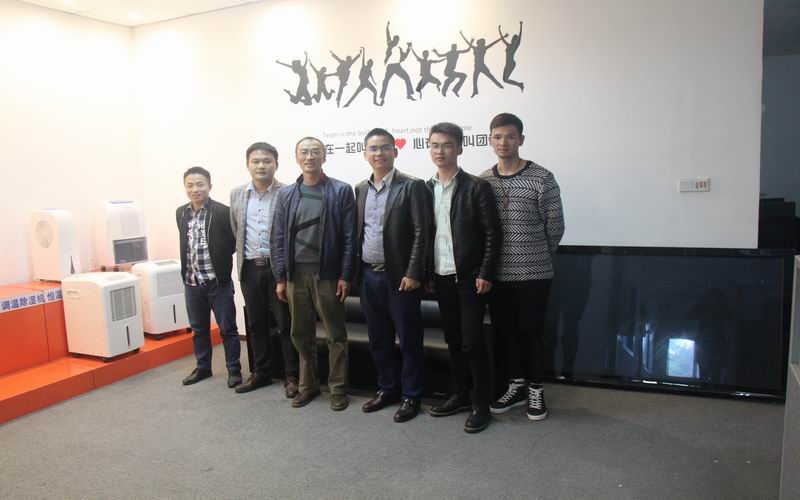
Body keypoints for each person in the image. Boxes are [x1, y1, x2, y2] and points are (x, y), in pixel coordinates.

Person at [479, 113, 565, 421]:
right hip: (497, 275)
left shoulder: (542, 178)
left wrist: (535, 254)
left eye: (510, 137)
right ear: (490, 140)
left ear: (521, 140)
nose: (503, 143)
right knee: (507, 333)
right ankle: (516, 385)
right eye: (497, 137)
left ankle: (536, 388)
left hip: (534, 273)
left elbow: (555, 226)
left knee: (532, 333)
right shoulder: (483, 180)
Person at [425, 123, 501, 433]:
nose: (440, 151)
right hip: (441, 276)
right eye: (434, 145)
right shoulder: (425, 188)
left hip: (470, 278)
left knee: (472, 342)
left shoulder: (476, 187)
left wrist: (485, 272)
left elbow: (492, 233)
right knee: (453, 341)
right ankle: (459, 394)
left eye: (446, 145)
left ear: (459, 148)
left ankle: (481, 403)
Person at [271, 137, 356, 411]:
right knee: (300, 334)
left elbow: (349, 238)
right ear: (297, 158)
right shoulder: (286, 195)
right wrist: (281, 278)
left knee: (335, 335)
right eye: (304, 152)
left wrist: (345, 275)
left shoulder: (341, 191)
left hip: (328, 276)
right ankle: (308, 386)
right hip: (295, 277)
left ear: (324, 156)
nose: (310, 157)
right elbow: (278, 238)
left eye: (315, 152)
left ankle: (338, 388)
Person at [355, 128, 432, 423]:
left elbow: (422, 232)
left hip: (400, 278)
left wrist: (413, 272)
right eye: (373, 149)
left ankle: (412, 395)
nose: (379, 153)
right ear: (365, 154)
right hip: (368, 276)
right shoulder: (360, 189)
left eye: (385, 147)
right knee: (379, 339)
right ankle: (387, 388)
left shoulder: (411, 186)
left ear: (395, 151)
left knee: (409, 340)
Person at [230, 142, 300, 397]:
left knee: (285, 324)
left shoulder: (288, 192)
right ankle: (261, 373)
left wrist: (283, 272)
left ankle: (292, 375)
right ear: (247, 165)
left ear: (276, 164)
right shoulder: (237, 194)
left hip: (277, 270)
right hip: (249, 268)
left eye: (267, 161)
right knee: (256, 323)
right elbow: (236, 229)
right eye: (256, 161)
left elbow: (291, 234)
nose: (261, 165)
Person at [176, 166, 242, 388]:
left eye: (200, 184)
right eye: (190, 185)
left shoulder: (222, 212)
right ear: (185, 188)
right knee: (199, 330)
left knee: (228, 329)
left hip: (217, 282)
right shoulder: (181, 213)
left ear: (210, 186)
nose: (195, 189)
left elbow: (232, 243)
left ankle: (234, 369)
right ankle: (203, 367)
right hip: (192, 282)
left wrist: (221, 265)